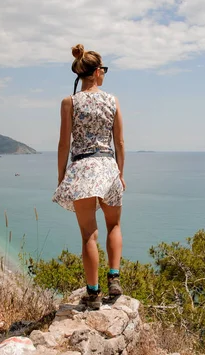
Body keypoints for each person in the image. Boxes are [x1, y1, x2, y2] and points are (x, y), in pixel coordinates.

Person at [52, 44, 126, 310]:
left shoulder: (69, 102)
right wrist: (121, 173)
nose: (104, 74)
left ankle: (93, 293)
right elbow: (119, 141)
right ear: (96, 72)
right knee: (114, 226)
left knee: (88, 236)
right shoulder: (112, 100)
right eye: (104, 70)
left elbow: (63, 144)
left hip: (82, 169)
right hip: (108, 167)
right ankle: (114, 278)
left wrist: (62, 177)